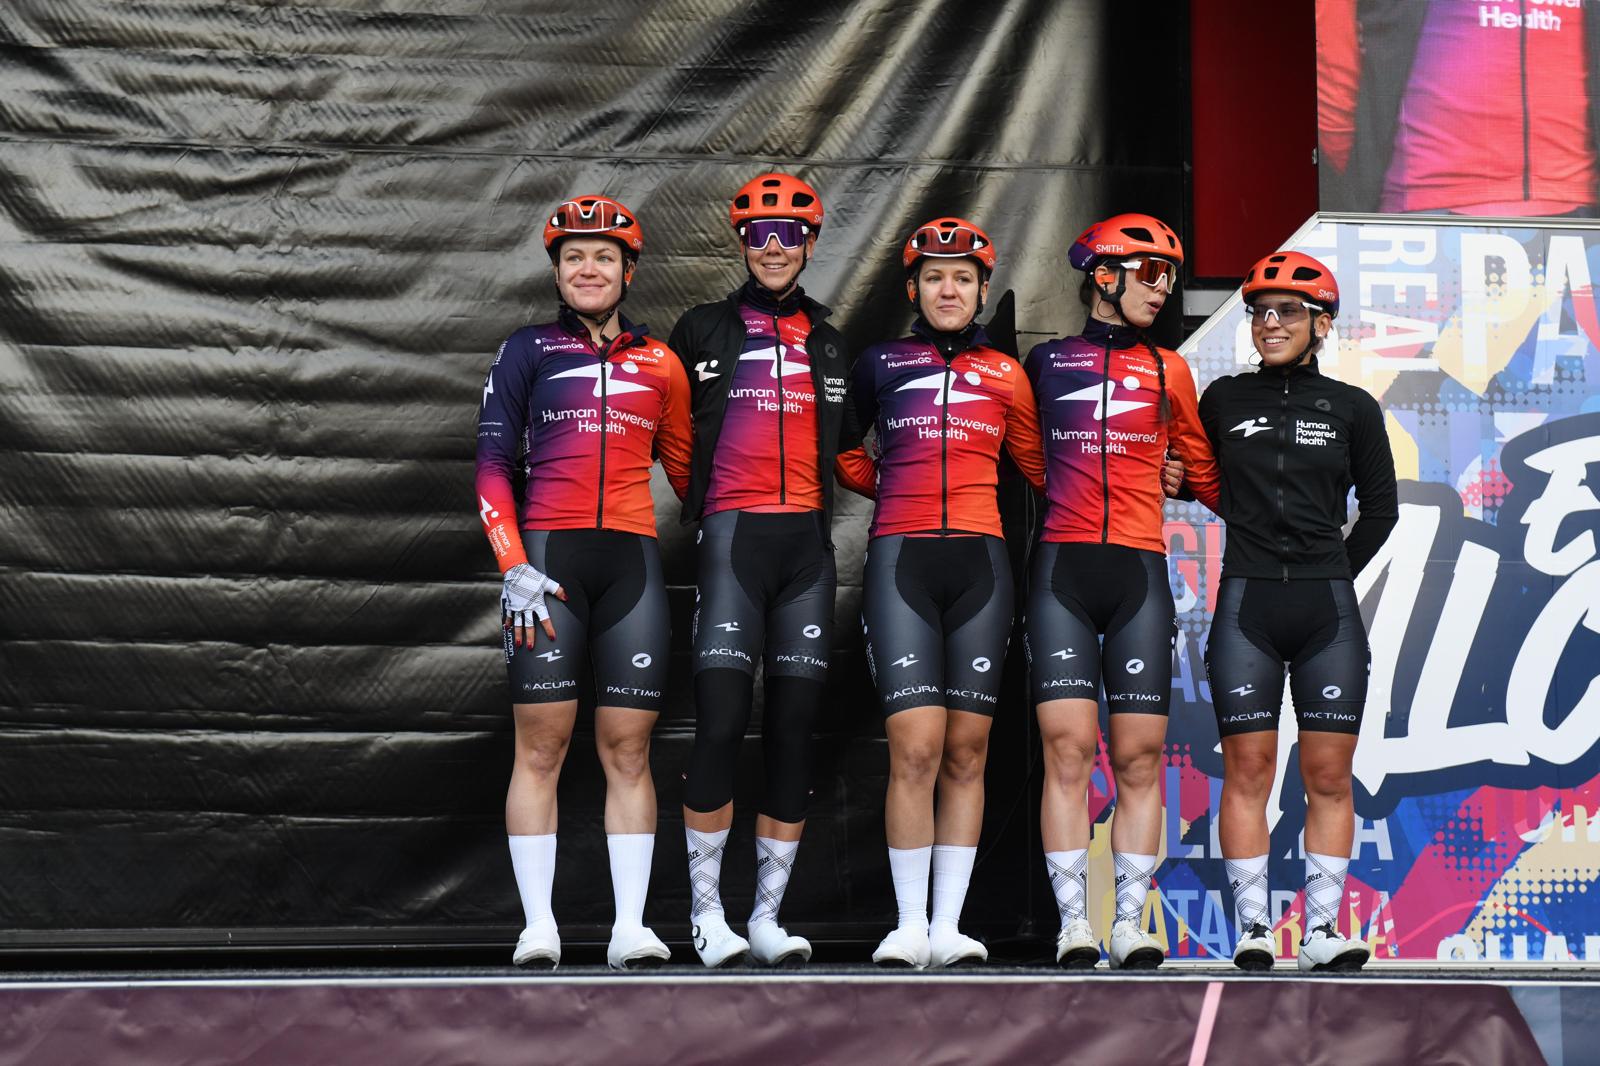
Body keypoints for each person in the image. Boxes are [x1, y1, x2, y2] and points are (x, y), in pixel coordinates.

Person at [474, 194, 692, 970]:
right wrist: (512, 565)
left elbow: (694, 480)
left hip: (633, 564)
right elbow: (492, 467)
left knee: (629, 749)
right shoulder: (527, 350)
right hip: (546, 566)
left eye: (604, 256)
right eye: (574, 257)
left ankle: (631, 929)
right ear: (558, 271)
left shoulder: (662, 364)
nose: (588, 268)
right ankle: (539, 928)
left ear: (629, 270)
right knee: (542, 746)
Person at [837, 218, 1046, 968]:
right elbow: (844, 452)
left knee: (968, 749)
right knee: (917, 746)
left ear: (983, 290)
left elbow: (1041, 467)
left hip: (982, 565)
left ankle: (949, 926)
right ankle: (908, 923)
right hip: (903, 561)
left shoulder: (1008, 374)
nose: (948, 289)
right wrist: (895, 488)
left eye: (962, 278)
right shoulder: (880, 363)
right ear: (913, 288)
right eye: (934, 277)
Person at [668, 173, 859, 968]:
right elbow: (667, 432)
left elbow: (852, 454)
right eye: (758, 234)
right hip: (731, 542)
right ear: (741, 242)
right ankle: (706, 914)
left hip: (807, 552)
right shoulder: (701, 328)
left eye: (788, 235)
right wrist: (708, 505)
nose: (773, 247)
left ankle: (766, 919)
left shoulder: (832, 339)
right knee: (719, 724)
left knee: (791, 732)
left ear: (811, 244)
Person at [1025, 213, 1221, 969]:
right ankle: (1074, 923)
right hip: (1063, 572)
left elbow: (1203, 471)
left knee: (1140, 758)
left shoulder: (1171, 369)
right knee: (1068, 751)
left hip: (1140, 572)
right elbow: (1019, 453)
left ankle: (1130, 923)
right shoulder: (1045, 363)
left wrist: (1186, 478)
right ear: (1103, 276)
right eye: (1150, 273)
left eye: (1170, 276)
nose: (1162, 289)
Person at [1197, 250, 1397, 972]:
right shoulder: (1222, 399)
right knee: (1248, 769)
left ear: (1322, 324)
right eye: (1259, 312)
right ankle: (1253, 928)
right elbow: (1197, 475)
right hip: (1247, 602)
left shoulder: (1352, 407)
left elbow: (1381, 510)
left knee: (1329, 775)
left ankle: (1320, 932)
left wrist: (1330, 572)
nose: (1270, 323)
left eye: (1287, 311)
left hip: (1325, 611)